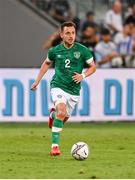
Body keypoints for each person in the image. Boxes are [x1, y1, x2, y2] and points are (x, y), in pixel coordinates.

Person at [31, 21, 96, 156]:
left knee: (61, 118)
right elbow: (46, 63)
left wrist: (83, 75)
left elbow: (93, 67)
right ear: (61, 35)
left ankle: (52, 115)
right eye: (67, 33)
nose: (71, 36)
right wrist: (37, 81)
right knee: (61, 112)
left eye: (73, 33)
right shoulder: (55, 51)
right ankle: (54, 148)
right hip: (58, 86)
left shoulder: (82, 50)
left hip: (74, 91)